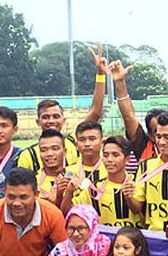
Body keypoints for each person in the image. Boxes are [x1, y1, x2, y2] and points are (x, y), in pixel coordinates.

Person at [15, 44, 108, 172]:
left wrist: (100, 74)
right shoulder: (28, 156)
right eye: (46, 117)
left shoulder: (75, 141)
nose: (51, 121)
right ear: (38, 122)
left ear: (64, 120)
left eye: (56, 116)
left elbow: (96, 111)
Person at [64, 136, 146, 228]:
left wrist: (129, 198)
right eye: (106, 155)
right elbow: (68, 212)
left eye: (115, 155)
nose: (109, 160)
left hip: (134, 240)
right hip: (105, 240)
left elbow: (138, 209)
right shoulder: (94, 188)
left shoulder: (137, 183)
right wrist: (69, 192)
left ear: (127, 159)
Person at [109, 60, 167, 168]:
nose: (163, 138)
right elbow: (129, 117)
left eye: (167, 133)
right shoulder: (143, 146)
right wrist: (120, 82)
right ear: (150, 136)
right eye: (157, 133)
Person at [63, 121, 109, 201]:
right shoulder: (68, 172)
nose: (87, 144)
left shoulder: (111, 169)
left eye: (92, 139)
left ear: (102, 143)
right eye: (82, 140)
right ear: (76, 145)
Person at [35, 128, 67, 207]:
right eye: (43, 150)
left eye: (55, 149)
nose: (49, 153)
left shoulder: (74, 177)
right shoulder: (34, 182)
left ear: (65, 151)